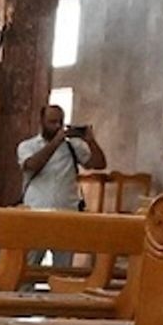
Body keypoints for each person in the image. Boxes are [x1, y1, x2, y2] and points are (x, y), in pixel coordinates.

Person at [16, 104, 107, 270]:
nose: (57, 126)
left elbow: (99, 164)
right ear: (41, 122)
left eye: (60, 122)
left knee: (63, 269)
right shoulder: (27, 146)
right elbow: (31, 166)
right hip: (36, 213)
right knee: (28, 267)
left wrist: (91, 141)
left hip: (67, 213)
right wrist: (55, 143)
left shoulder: (73, 147)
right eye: (52, 122)